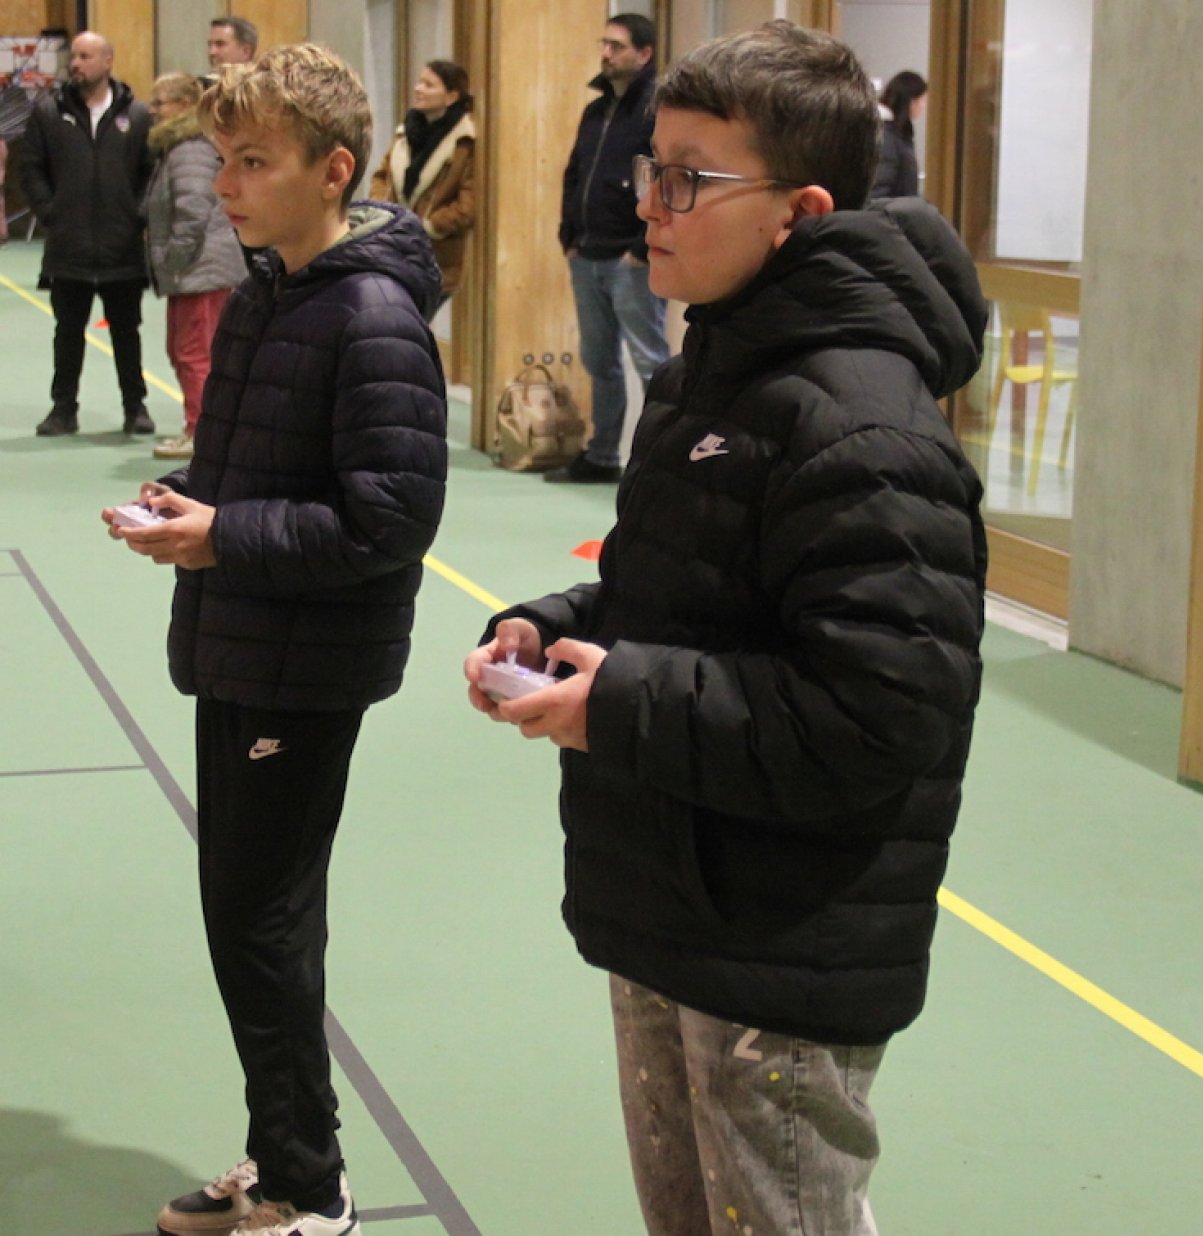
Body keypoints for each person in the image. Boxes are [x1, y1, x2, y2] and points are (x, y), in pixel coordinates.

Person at [464, 21, 986, 1236]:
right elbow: (682, 591)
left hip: (779, 937)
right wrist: (551, 628)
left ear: (798, 213)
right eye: (652, 168)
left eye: (688, 180)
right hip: (672, 891)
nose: (647, 203)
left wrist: (618, 700)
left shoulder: (861, 424)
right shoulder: (715, 368)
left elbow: (876, 713)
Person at [102, 43, 447, 1236]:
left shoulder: (373, 315)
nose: (228, 186)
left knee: (264, 921)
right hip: (243, 642)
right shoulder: (267, 293)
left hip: (307, 665)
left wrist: (226, 534)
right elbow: (253, 470)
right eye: (222, 159)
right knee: (245, 917)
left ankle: (314, 1183)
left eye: (254, 162)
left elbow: (391, 519)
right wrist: (190, 505)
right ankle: (282, 1152)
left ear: (333, 170)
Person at [549, 12, 670, 484]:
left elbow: (664, 179)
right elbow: (574, 173)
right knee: (599, 361)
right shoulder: (595, 111)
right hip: (587, 253)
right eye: (604, 44)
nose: (605, 53)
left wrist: (641, 247)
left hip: (630, 258)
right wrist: (569, 235)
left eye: (616, 46)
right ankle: (602, 455)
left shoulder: (657, 111)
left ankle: (660, 462)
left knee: (650, 363)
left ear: (644, 53)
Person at [20, 31, 154, 437]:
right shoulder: (48, 113)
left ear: (108, 61)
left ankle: (135, 407)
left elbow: (150, 173)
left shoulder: (139, 116)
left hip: (121, 247)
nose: (75, 63)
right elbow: (30, 168)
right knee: (67, 332)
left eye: (85, 56)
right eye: (74, 56)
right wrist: (51, 212)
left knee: (127, 332)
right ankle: (63, 409)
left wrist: (136, 215)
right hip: (69, 246)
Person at [142, 72, 246, 460]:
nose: (153, 110)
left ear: (185, 106)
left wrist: (173, 258)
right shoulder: (180, 147)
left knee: (195, 354)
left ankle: (201, 432)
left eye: (160, 102)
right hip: (191, 273)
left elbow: (192, 212)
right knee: (184, 351)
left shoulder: (189, 150)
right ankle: (198, 426)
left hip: (200, 271)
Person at [369, 59, 475, 309]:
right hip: (394, 249)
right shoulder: (406, 131)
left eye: (429, 85)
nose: (418, 89)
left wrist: (428, 226)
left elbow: (468, 204)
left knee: (411, 319)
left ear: (451, 97)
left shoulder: (464, 142)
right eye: (419, 82)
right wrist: (384, 212)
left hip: (436, 257)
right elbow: (382, 176)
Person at [870, 69, 927, 199]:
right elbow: (879, 188)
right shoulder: (886, 136)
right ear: (911, 101)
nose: (923, 106)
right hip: (889, 209)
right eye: (922, 100)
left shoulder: (896, 133)